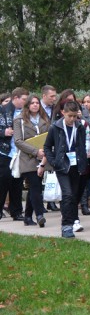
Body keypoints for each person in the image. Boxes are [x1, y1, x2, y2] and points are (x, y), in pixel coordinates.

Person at [43, 100, 89, 238]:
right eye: (70, 116)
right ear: (63, 113)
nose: (72, 119)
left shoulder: (79, 127)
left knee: (73, 196)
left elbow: (82, 145)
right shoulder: (55, 127)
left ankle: (73, 221)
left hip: (76, 165)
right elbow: (47, 147)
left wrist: (83, 160)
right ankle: (66, 226)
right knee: (67, 194)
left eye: (75, 116)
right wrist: (54, 162)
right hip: (62, 166)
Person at [14, 94, 49, 227]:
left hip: (42, 157)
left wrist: (44, 153)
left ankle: (28, 216)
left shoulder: (44, 118)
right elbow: (18, 141)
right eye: (32, 103)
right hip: (27, 157)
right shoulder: (19, 120)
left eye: (37, 103)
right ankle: (39, 214)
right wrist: (35, 151)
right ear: (27, 105)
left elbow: (49, 136)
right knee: (35, 184)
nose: (35, 105)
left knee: (35, 186)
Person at [0, 88, 28, 223]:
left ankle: (16, 212)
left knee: (17, 183)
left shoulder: (26, 113)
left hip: (19, 153)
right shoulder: (2, 110)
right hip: (5, 152)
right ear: (15, 98)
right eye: (24, 99)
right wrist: (3, 132)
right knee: (3, 182)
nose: (26, 102)